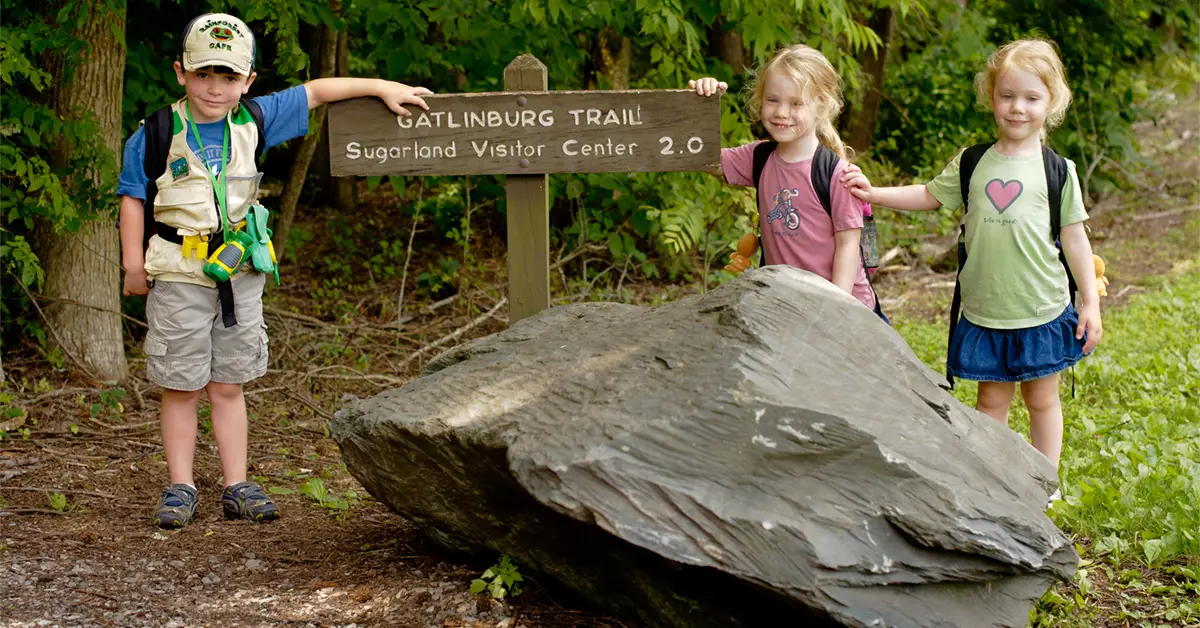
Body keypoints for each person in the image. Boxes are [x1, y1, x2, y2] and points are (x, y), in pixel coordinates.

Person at [116, 12, 432, 528]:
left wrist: (383, 86)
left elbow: (318, 91)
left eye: (229, 77)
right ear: (180, 72)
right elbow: (132, 198)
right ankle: (181, 486)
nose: (215, 88)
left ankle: (237, 483)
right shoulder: (154, 133)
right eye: (204, 74)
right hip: (177, 274)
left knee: (230, 383)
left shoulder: (255, 119)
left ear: (248, 81)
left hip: (238, 273)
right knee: (182, 384)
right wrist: (132, 264)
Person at [841, 39, 1103, 488]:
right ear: (991, 96)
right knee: (991, 404)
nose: (1017, 108)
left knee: (1042, 400)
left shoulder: (1058, 170)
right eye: (1007, 96)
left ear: (1052, 102)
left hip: (1041, 307)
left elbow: (1074, 238)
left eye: (1031, 98)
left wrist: (1089, 303)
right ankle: (995, 484)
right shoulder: (973, 162)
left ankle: (1045, 483)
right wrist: (874, 193)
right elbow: (926, 194)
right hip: (986, 310)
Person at [691, 44, 884, 321]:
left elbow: (847, 248)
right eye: (772, 100)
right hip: (786, 305)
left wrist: (836, 311)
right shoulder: (758, 157)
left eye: (796, 103)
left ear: (822, 105)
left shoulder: (837, 174)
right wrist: (700, 106)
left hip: (842, 309)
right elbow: (701, 157)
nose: (781, 112)